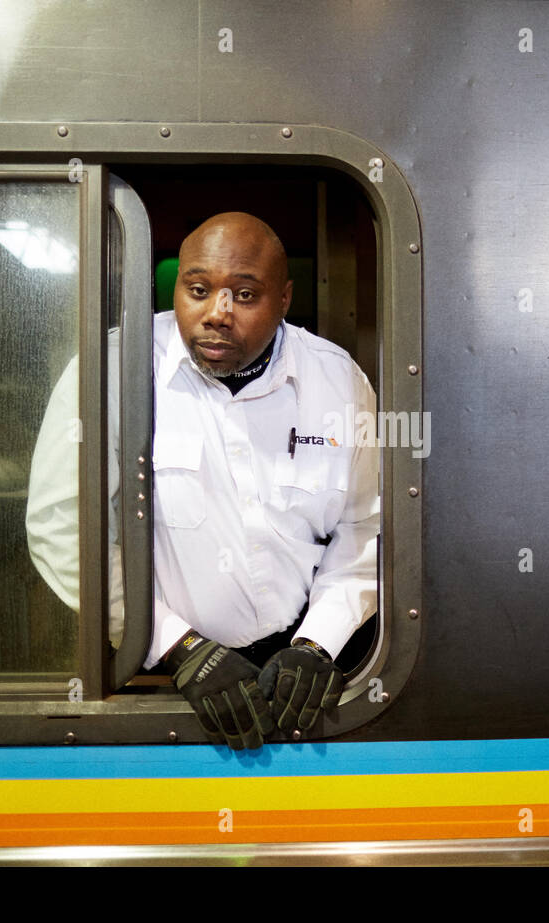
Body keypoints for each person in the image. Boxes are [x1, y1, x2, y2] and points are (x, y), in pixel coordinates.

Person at [26, 212, 379, 750]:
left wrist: (317, 643)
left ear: (283, 300)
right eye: (198, 289)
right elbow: (62, 527)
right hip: (160, 673)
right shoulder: (111, 372)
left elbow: (365, 526)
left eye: (244, 294)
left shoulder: (338, 381)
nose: (217, 313)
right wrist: (176, 645)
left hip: (301, 670)